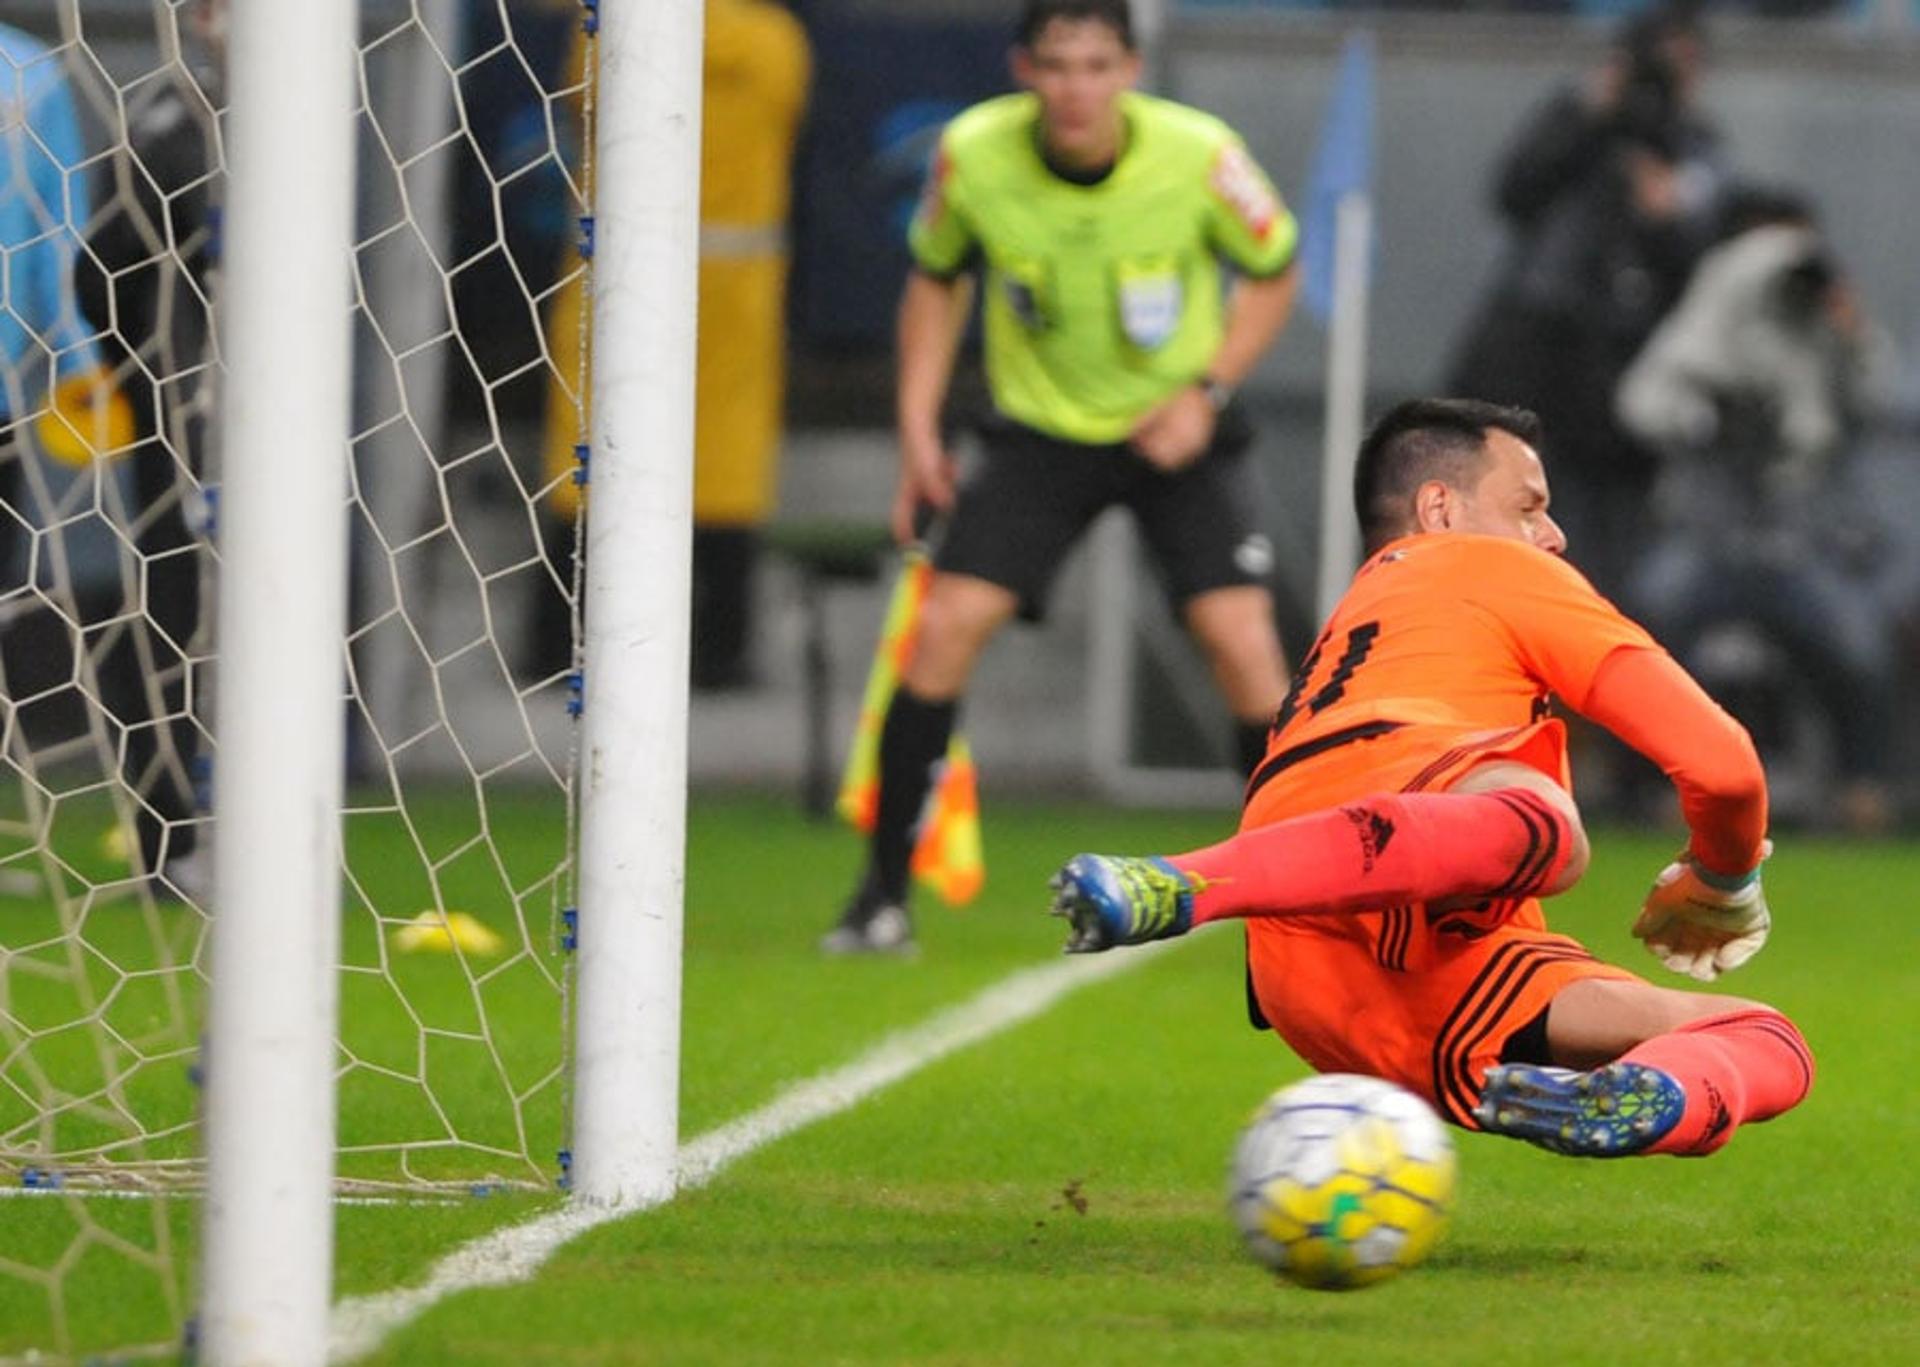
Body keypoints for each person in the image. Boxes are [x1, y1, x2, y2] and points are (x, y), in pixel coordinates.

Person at [1049, 398, 1813, 1160]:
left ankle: (1643, 1093)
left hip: (1316, 969)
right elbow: (1724, 764)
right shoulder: (1487, 565)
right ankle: (1181, 884)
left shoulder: (1360, 628)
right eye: (1528, 507)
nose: (1553, 535)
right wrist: (1722, 879)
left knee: (1767, 1034)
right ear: (1440, 509)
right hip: (1413, 902)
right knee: (1548, 828)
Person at [823, 0, 1300, 955]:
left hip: (1178, 427)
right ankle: (879, 899)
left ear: (1130, 67)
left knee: (1243, 643)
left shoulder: (1201, 152)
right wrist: (918, 429)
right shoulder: (972, 153)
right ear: (1022, 70)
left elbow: (1276, 268)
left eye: (1095, 64)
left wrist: (1204, 393)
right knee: (943, 629)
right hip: (1041, 431)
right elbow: (935, 276)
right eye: (1056, 65)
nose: (1075, 87)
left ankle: (1293, 899)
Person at [535, 0, 811, 690]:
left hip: (617, 272)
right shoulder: (774, 41)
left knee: (591, 439)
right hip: (734, 280)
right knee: (724, 454)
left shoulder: (603, 25)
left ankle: (556, 641)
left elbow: (582, 111)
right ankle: (718, 650)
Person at [1616, 186, 1901, 832]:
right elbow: (1641, 402)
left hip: (1790, 547)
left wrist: (1852, 334)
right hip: (1707, 538)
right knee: (1645, 633)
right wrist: (1702, 416)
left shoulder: (1818, 332)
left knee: (1857, 643)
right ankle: (1655, 791)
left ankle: (1864, 789)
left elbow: (1873, 401)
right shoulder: (1708, 323)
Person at [1445, 1, 1722, 600]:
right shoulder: (1579, 125)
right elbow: (1515, 191)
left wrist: (1667, 215)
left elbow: (1701, 258)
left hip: (1623, 367)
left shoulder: (1691, 147)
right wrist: (1590, 110)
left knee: (1607, 534)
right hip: (1540, 344)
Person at [67, 0, 225, 900]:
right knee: (177, 615)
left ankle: (203, 836)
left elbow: (101, 269)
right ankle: (178, 839)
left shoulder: (176, 114)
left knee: (206, 614)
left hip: (218, 414)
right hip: (186, 417)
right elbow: (101, 266)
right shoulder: (175, 119)